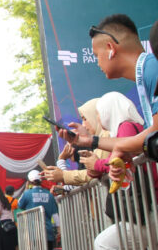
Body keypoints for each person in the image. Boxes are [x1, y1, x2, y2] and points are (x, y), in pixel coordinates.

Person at [67, 16, 158, 171]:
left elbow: (155, 132)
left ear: (110, 48)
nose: (97, 63)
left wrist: (122, 147)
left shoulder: (152, 70)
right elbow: (148, 138)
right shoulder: (147, 70)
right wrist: (91, 141)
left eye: (97, 55)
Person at [89, 92, 146, 250]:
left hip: (144, 211)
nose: (98, 118)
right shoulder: (129, 127)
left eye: (98, 113)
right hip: (142, 210)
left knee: (104, 243)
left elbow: (119, 157)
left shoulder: (125, 127)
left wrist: (97, 163)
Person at [17, 170, 60, 250]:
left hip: (33, 232)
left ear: (29, 182)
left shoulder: (27, 193)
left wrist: (26, 189)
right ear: (41, 180)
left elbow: (20, 205)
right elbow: (55, 214)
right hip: (47, 231)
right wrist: (59, 229)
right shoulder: (49, 194)